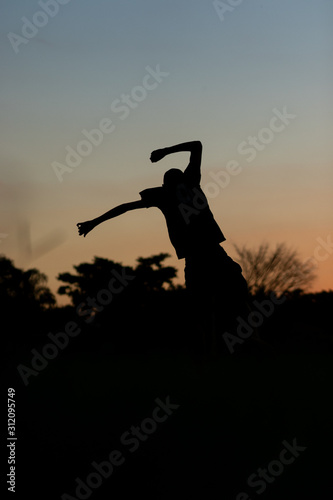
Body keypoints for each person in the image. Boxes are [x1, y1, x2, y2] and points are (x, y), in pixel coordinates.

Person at [77, 141, 249, 355]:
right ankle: (231, 342)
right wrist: (165, 152)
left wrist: (94, 222)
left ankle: (214, 348)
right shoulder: (192, 183)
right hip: (213, 253)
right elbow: (197, 146)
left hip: (196, 259)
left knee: (202, 309)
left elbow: (125, 208)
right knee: (233, 294)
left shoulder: (165, 196)